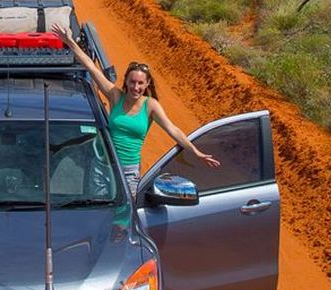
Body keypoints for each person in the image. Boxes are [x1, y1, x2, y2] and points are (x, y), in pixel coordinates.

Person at [52, 24, 218, 196]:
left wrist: (195, 151)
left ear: (146, 84)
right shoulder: (115, 95)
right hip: (103, 166)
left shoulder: (151, 106)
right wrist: (70, 41)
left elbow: (173, 130)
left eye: (140, 83)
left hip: (129, 172)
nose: (135, 87)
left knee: (125, 215)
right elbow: (92, 68)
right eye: (132, 82)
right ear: (126, 82)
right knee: (101, 213)